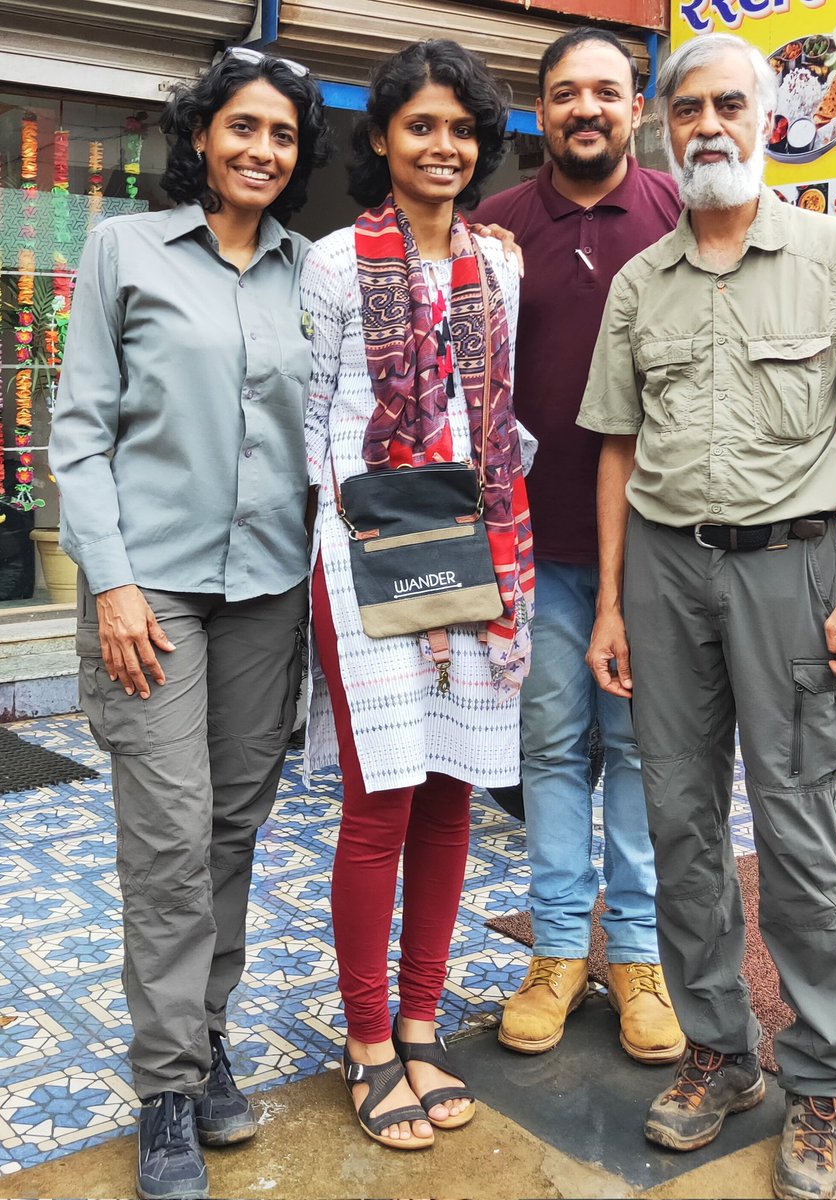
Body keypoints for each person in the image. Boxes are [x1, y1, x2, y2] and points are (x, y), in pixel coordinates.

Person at [578, 33, 836, 1200]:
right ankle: (720, 1053)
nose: (709, 124)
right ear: (664, 128)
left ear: (767, 117)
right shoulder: (640, 283)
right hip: (666, 572)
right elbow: (617, 447)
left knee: (798, 826)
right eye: (689, 108)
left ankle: (822, 1077)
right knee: (678, 820)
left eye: (731, 103)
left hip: (793, 569)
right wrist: (612, 605)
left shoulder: (834, 255)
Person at [50, 49, 328, 1200]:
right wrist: (110, 582)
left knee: (230, 830)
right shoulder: (126, 250)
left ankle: (206, 1036)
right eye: (243, 127)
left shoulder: (313, 272)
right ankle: (166, 1086)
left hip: (268, 588)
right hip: (150, 592)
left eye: (283, 135)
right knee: (169, 836)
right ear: (203, 136)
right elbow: (79, 433)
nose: (262, 150)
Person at [300, 40, 532, 1151]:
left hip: (477, 557)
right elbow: (310, 424)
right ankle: (366, 1042)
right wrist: (358, 536)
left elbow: (499, 418)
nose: (443, 146)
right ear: (383, 138)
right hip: (367, 557)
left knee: (452, 795)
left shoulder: (500, 268)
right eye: (420, 125)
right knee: (380, 800)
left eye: (461, 129)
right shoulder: (334, 263)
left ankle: (422, 1024)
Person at [474, 27, 684, 1063]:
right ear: (540, 109)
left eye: (606, 90)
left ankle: (637, 955)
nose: (586, 109)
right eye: (565, 93)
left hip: (661, 548)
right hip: (535, 548)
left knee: (643, 753)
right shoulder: (495, 228)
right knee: (551, 750)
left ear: (636, 106)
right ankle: (558, 951)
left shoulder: (682, 216)